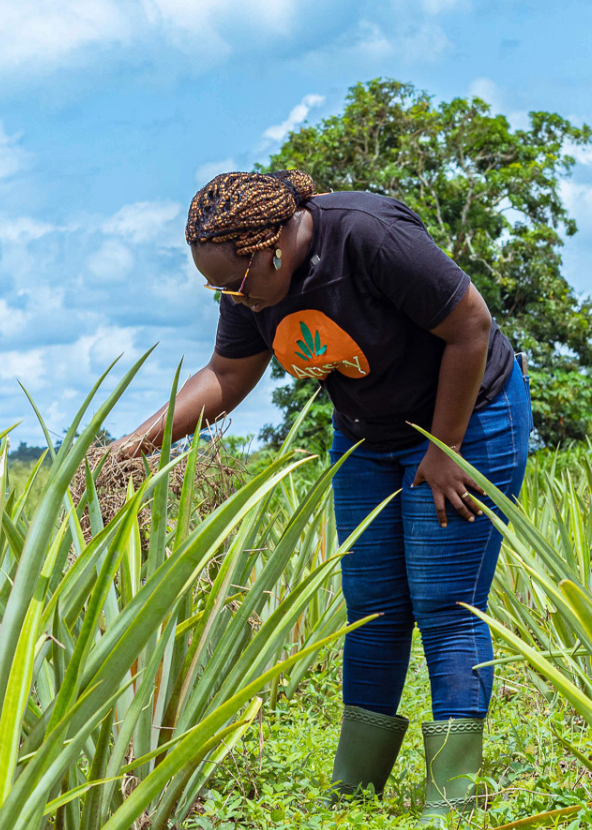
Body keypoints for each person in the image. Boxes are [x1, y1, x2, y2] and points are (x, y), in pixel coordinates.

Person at [106, 170, 532, 821]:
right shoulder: (246, 285)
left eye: (237, 283)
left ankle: (451, 803)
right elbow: (226, 374)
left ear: (273, 243)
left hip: (467, 420)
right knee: (373, 608)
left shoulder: (369, 237)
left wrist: (444, 449)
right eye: (216, 287)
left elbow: (471, 328)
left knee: (446, 605)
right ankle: (354, 794)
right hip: (369, 435)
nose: (232, 298)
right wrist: (141, 438)